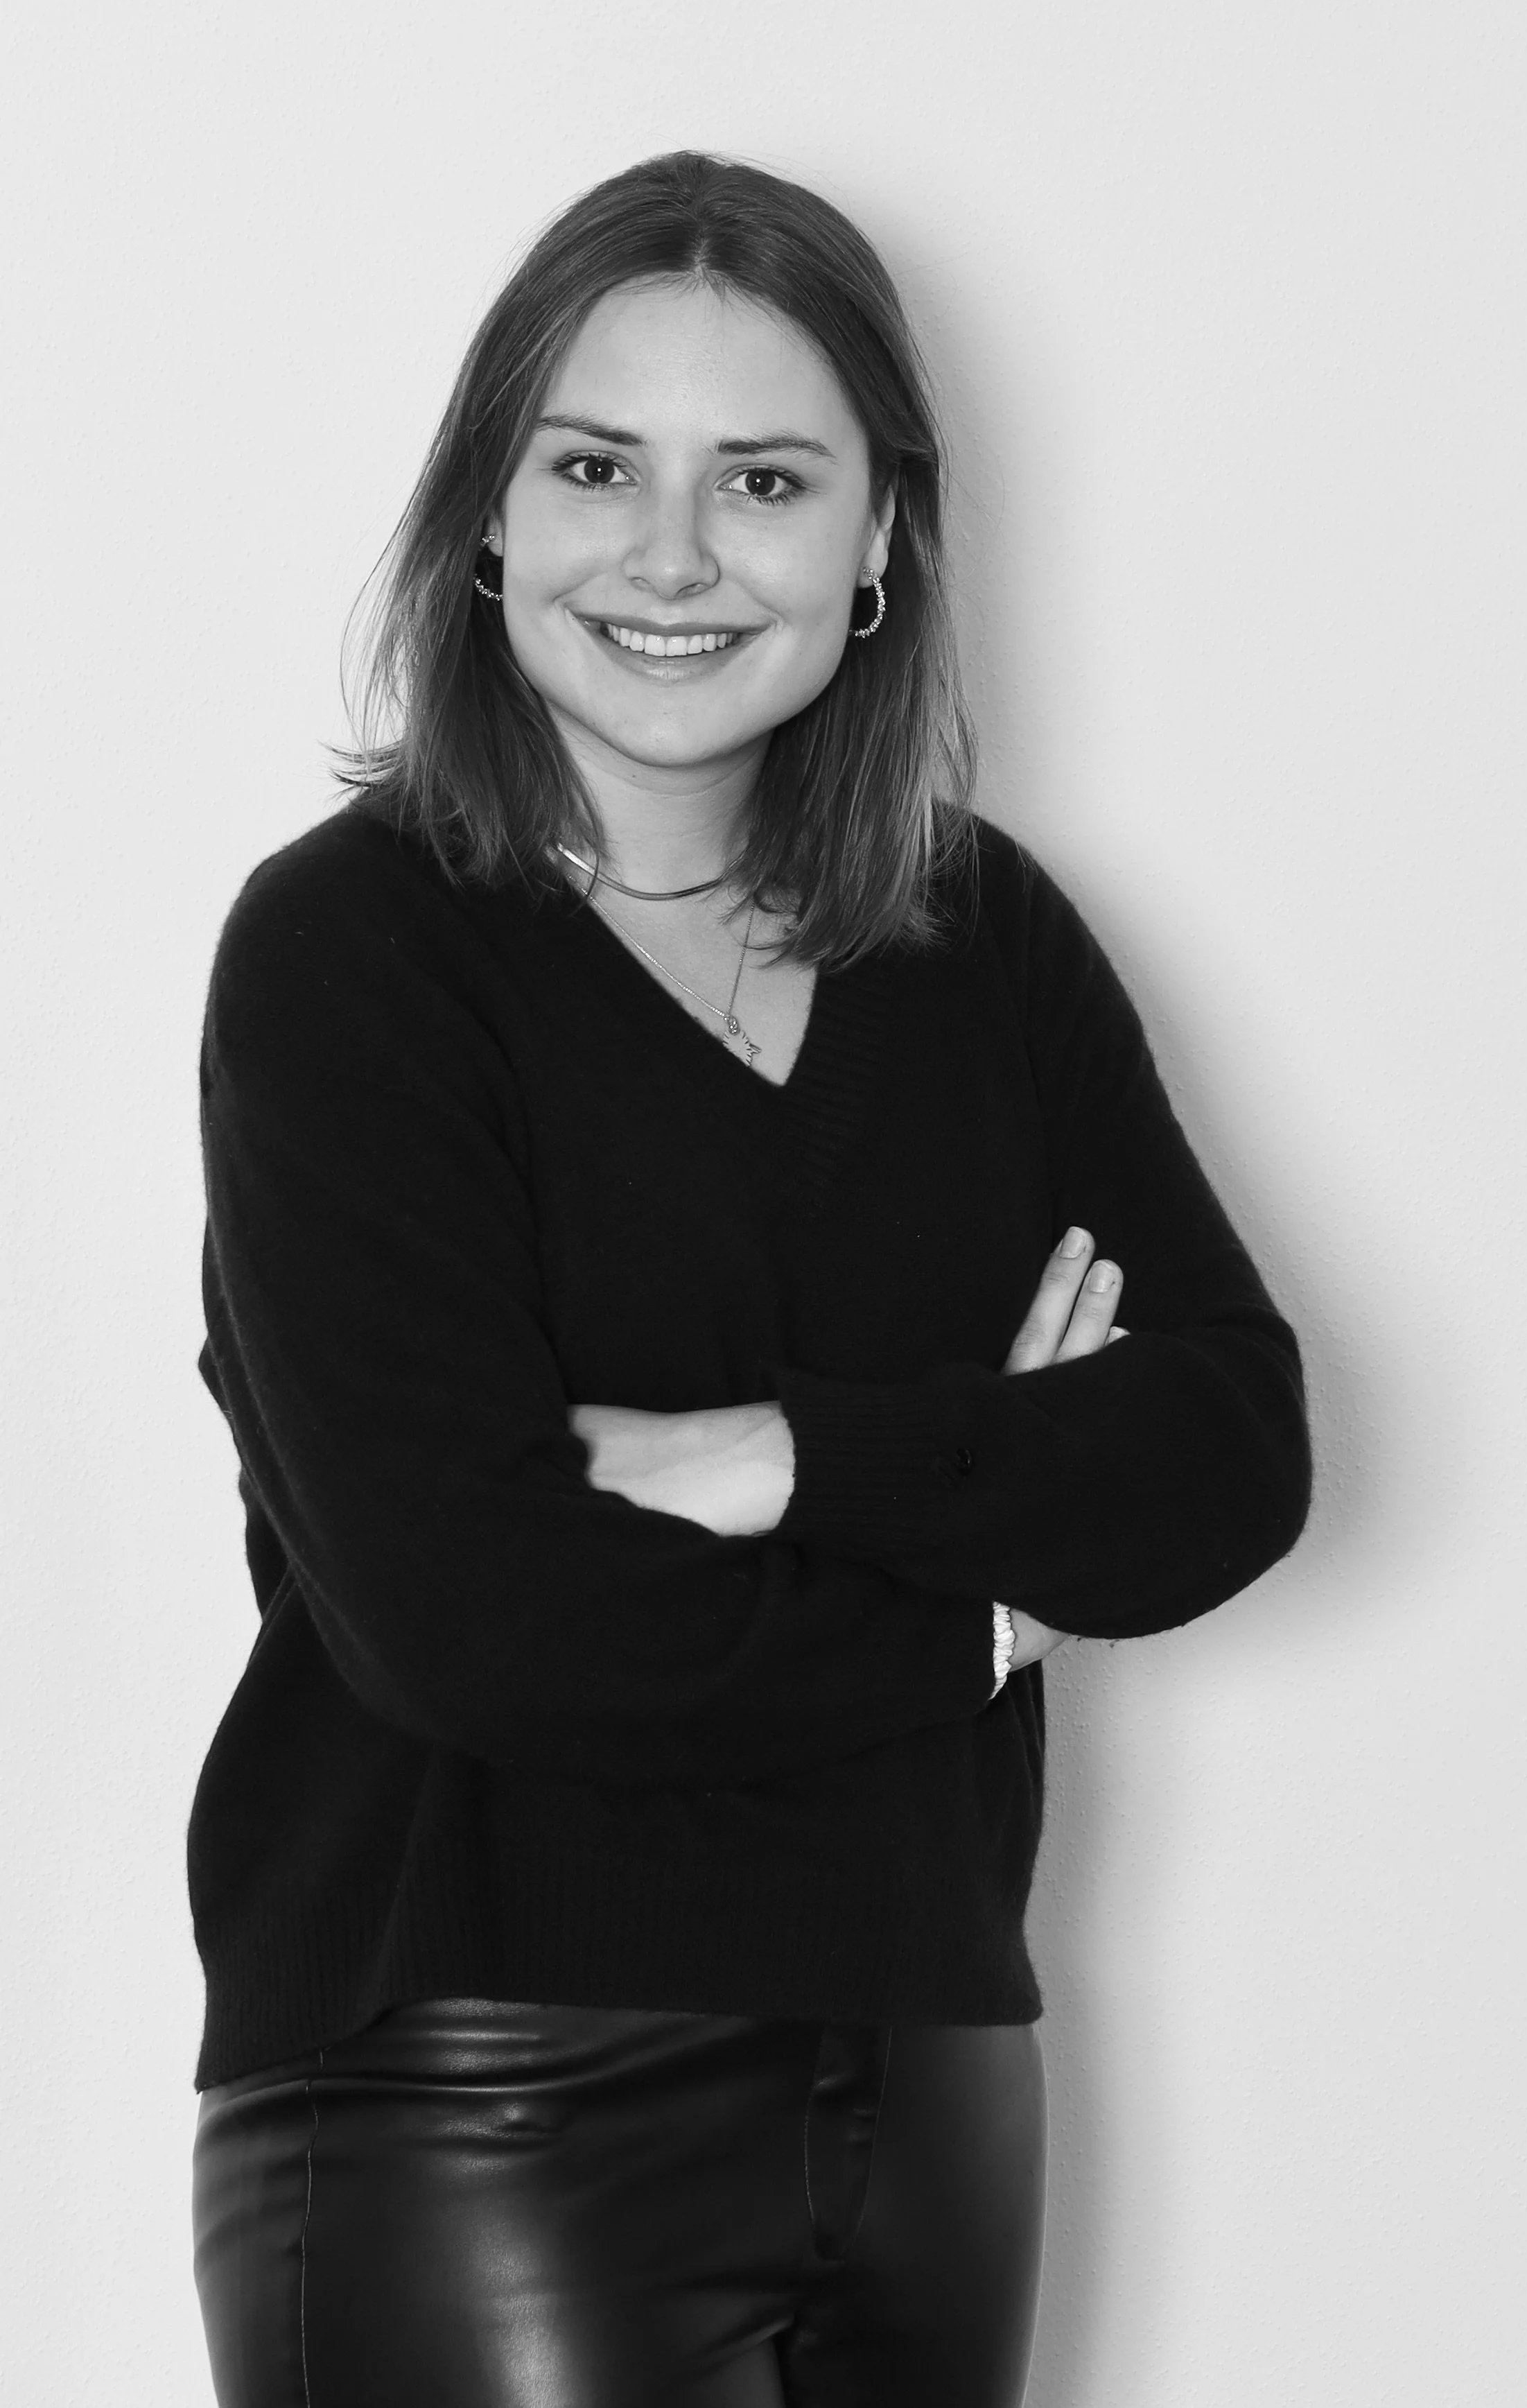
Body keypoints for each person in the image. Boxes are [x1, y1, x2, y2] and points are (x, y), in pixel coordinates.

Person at [187, 150, 1312, 2408]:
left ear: (882, 540)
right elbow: (480, 1621)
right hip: (483, 2088)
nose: (675, 555)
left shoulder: (979, 940)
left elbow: (1228, 1453)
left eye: (767, 481)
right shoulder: (353, 961)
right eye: (597, 465)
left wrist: (786, 1458)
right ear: (485, 511)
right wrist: (984, 1599)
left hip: (938, 2071)